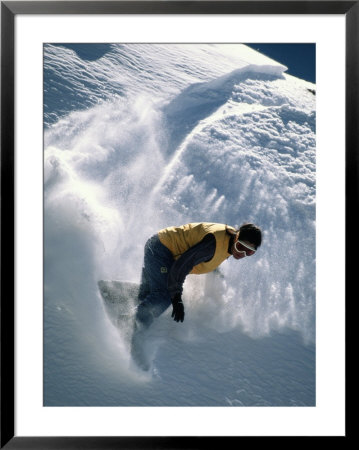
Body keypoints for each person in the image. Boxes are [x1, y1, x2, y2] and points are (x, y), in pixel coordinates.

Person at [131, 222, 262, 370]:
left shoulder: (228, 242)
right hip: (160, 251)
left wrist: (217, 278)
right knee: (164, 296)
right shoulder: (212, 244)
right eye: (240, 247)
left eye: (249, 252)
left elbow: (212, 258)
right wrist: (176, 298)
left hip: (163, 251)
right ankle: (133, 329)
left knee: (153, 293)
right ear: (236, 236)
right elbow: (180, 266)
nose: (242, 253)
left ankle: (134, 301)